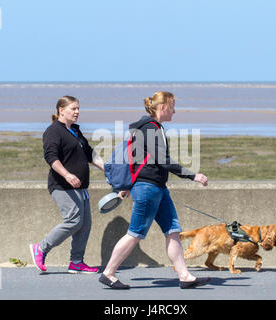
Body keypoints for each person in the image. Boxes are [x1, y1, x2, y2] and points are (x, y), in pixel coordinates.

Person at [99, 91, 211, 289]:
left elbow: (137, 159)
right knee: (135, 233)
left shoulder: (148, 129)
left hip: (157, 188)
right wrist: (192, 175)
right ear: (163, 107)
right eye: (172, 107)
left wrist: (127, 185)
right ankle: (108, 273)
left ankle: (184, 276)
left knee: (173, 231)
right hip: (148, 188)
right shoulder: (151, 129)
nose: (174, 111)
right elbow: (162, 160)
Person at [29, 95, 106, 274]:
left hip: (80, 187)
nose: (77, 112)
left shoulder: (75, 131)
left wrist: (107, 169)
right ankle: (41, 248)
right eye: (74, 108)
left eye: (78, 108)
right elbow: (51, 158)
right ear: (61, 110)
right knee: (73, 220)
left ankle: (76, 262)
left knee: (85, 224)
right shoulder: (53, 131)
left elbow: (90, 154)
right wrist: (67, 174)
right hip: (62, 185)